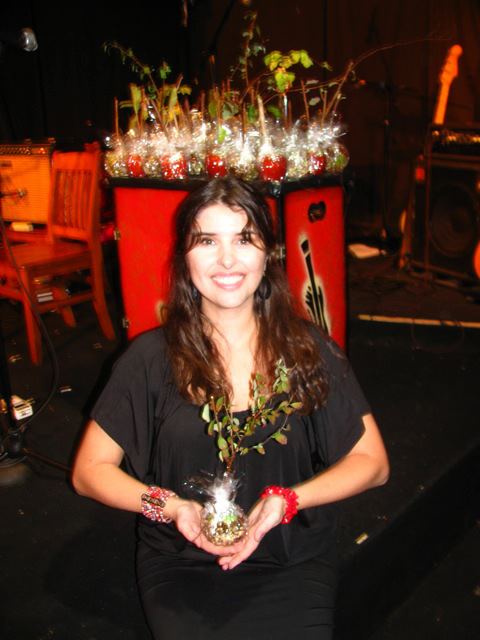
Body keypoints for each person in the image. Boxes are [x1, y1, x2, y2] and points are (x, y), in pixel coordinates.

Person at [72, 176, 389, 640]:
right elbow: (88, 471)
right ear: (184, 257)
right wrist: (171, 507)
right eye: (207, 241)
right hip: (181, 563)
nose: (226, 259)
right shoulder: (149, 358)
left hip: (289, 559)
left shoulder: (307, 350)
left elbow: (373, 463)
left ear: (268, 253)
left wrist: (288, 500)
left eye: (244, 239)